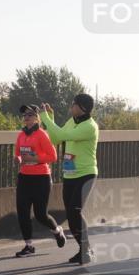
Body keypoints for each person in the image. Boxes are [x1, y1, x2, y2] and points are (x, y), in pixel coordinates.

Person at [39, 94, 99, 264]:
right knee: (71, 215)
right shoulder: (72, 121)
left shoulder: (90, 126)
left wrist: (44, 117)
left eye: (73, 104)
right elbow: (56, 137)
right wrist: (50, 118)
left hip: (86, 173)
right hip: (70, 173)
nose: (71, 107)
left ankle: (86, 249)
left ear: (83, 108)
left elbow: (63, 134)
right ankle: (83, 249)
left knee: (75, 210)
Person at [14, 104, 66, 257]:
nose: (26, 118)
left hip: (41, 178)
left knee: (40, 214)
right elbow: (17, 153)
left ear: (37, 117)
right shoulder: (21, 135)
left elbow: (53, 156)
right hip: (24, 177)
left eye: (30, 114)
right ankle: (28, 245)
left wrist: (34, 158)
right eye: (24, 115)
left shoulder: (42, 134)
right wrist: (18, 159)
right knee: (22, 212)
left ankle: (57, 231)